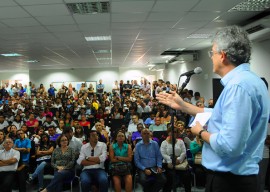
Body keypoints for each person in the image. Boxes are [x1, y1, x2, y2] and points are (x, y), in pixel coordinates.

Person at [156, 25, 270, 192]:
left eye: (212, 53)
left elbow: (230, 146)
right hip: (238, 178)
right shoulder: (253, 81)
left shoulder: (237, 87)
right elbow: (220, 114)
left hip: (230, 182)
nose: (211, 57)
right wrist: (183, 105)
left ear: (222, 55)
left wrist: (201, 132)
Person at [161, 127, 191, 192]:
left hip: (179, 163)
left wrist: (179, 159)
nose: (173, 133)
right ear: (168, 132)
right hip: (168, 163)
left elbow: (184, 152)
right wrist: (170, 160)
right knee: (169, 177)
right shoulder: (164, 142)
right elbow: (163, 153)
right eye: (171, 131)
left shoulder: (181, 142)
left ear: (177, 133)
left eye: (175, 132)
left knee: (187, 176)